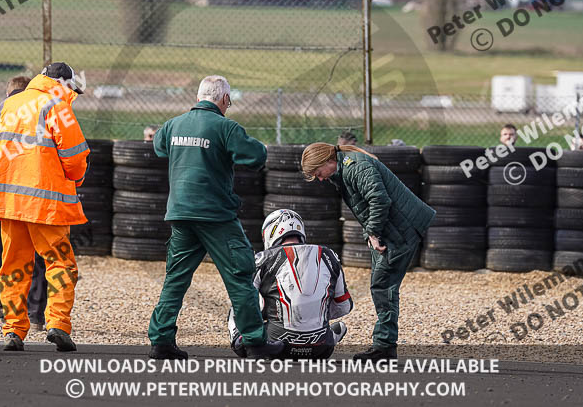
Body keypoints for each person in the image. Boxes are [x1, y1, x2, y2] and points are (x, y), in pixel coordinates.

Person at [148, 75, 283, 360]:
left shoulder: (172, 125)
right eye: (228, 101)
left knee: (176, 278)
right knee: (240, 275)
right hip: (216, 216)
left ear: (198, 98)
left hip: (180, 214)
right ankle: (256, 341)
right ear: (224, 99)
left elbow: (159, 147)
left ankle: (161, 340)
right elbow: (256, 156)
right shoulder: (226, 127)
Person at [0, 62, 89, 352]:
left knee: (13, 267)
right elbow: (75, 156)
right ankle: (57, 324)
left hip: (9, 202)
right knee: (60, 264)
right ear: (62, 83)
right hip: (46, 204)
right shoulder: (57, 105)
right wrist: (78, 177)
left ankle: (13, 331)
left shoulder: (8, 105)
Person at [301, 143, 435, 361]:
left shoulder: (356, 167)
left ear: (328, 162)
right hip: (394, 229)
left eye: (318, 173)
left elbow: (379, 199)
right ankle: (384, 346)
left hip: (402, 229)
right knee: (382, 284)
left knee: (383, 285)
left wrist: (372, 233)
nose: (319, 179)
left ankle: (384, 347)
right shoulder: (344, 168)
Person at [0, 76, 47, 333]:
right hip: (36, 196)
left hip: (1, 194)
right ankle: (36, 316)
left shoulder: (0, 110)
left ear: (9, 91)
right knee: (36, 251)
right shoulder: (44, 110)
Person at [228, 209, 352, 360]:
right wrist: (310, 314)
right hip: (321, 349)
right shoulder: (330, 256)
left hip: (274, 345)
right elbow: (344, 306)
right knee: (337, 326)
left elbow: (244, 302)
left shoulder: (262, 258)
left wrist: (270, 312)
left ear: (270, 232)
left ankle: (238, 340)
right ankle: (327, 335)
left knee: (237, 302)